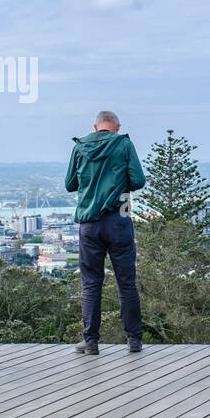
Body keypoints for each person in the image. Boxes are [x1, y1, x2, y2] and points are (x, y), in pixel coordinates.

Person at [66, 110, 146, 355]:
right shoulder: (123, 144)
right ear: (117, 126)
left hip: (89, 223)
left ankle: (90, 341)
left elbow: (70, 184)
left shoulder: (80, 147)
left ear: (95, 126)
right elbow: (139, 180)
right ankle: (133, 339)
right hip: (118, 220)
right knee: (126, 282)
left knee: (91, 284)